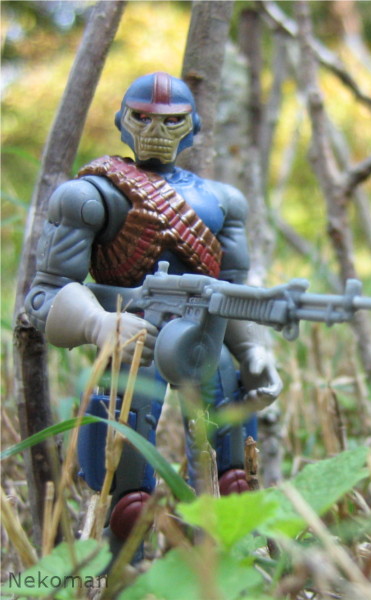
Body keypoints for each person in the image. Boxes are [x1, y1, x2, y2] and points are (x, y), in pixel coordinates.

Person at [24, 72, 282, 554]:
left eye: (171, 120)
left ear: (193, 126)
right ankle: (125, 569)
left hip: (204, 343)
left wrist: (253, 352)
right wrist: (97, 323)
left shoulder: (223, 202)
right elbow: (45, 296)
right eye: (142, 118)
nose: (156, 131)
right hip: (132, 345)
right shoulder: (90, 196)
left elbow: (231, 292)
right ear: (122, 121)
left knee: (232, 482)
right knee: (126, 500)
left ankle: (226, 566)